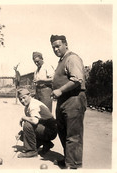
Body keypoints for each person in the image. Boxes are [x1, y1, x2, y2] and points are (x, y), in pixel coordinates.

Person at [50, 35, 87, 169]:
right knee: (63, 131)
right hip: (63, 100)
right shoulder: (62, 60)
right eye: (53, 47)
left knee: (73, 134)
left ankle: (73, 165)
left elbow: (77, 79)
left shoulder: (72, 58)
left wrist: (60, 90)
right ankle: (68, 159)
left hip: (74, 99)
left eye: (58, 46)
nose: (55, 49)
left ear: (66, 44)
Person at [16, 88, 57, 158]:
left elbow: (34, 121)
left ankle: (31, 151)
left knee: (27, 125)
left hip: (50, 131)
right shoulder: (28, 105)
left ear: (30, 95)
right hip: (45, 129)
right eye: (20, 99)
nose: (22, 101)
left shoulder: (33, 105)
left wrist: (23, 117)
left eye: (24, 98)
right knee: (22, 135)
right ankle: (46, 143)